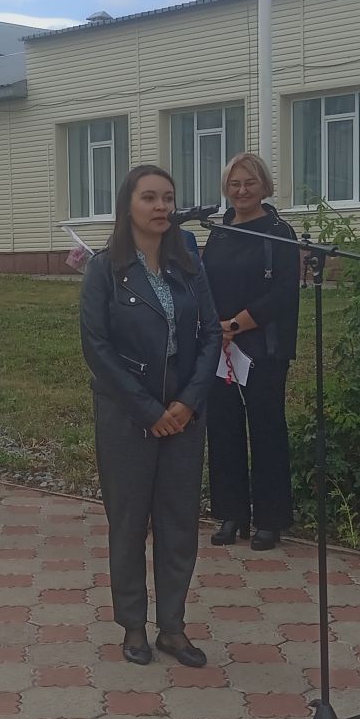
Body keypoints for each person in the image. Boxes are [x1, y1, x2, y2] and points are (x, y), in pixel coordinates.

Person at [80, 164, 222, 667]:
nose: (161, 207)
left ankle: (173, 628)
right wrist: (148, 411)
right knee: (128, 522)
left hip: (184, 416)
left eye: (168, 197)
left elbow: (211, 334)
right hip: (127, 417)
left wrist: (187, 402)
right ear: (128, 205)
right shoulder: (104, 269)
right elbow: (97, 348)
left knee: (178, 524)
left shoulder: (188, 263)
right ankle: (134, 626)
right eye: (149, 197)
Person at [202, 152, 301, 551]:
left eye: (249, 183)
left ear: (264, 187)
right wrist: (216, 327)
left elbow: (283, 293)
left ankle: (270, 520)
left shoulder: (279, 232)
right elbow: (205, 283)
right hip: (220, 345)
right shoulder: (219, 232)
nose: (241, 191)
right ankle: (231, 514)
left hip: (262, 346)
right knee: (222, 428)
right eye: (235, 184)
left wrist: (236, 325)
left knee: (267, 429)